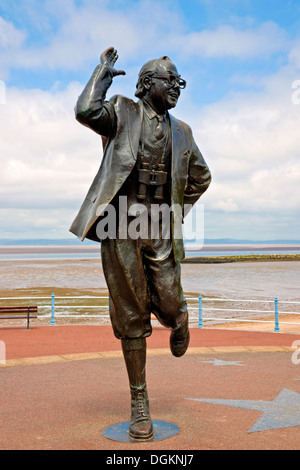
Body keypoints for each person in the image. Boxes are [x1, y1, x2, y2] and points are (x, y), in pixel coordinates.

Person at [70, 47, 211, 441]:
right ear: (149, 84)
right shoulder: (122, 112)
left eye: (181, 82)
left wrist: (177, 208)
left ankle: (178, 318)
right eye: (172, 81)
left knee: (167, 300)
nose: (178, 88)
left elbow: (202, 176)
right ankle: (139, 402)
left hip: (161, 223)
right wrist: (102, 73)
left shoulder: (183, 130)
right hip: (120, 224)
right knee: (131, 314)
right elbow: (85, 111)